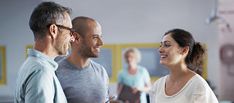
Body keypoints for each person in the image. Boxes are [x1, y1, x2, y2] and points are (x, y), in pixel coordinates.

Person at [14, 2, 73, 103]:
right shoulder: (41, 72)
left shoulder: (33, 65)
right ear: (53, 30)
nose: (71, 38)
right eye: (69, 31)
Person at [149, 29, 218, 103]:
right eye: (161, 45)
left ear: (184, 50)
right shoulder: (157, 85)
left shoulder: (198, 85)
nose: (160, 49)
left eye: (167, 45)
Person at [55, 16, 109, 103]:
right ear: (76, 38)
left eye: (100, 37)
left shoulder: (101, 71)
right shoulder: (56, 72)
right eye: (95, 37)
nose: (101, 43)